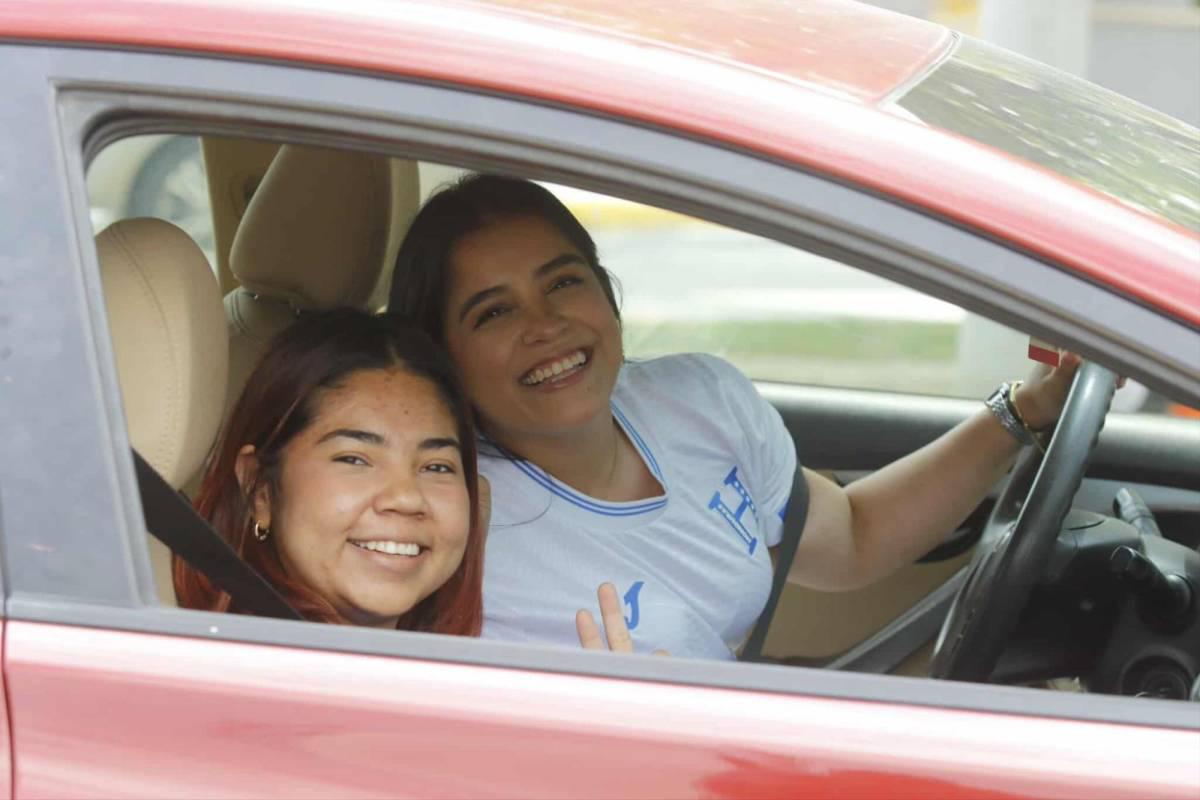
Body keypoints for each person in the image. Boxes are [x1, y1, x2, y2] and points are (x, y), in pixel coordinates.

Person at [388, 174, 1078, 659]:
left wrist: (1027, 410)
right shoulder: (450, 516)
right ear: (444, 359)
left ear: (606, 291)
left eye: (564, 282)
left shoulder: (700, 399)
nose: (547, 326)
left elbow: (852, 535)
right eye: (496, 311)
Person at [175, 308, 486, 634]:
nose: (407, 498)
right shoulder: (222, 669)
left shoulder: (449, 671)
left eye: (436, 467)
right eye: (354, 460)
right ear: (260, 489)